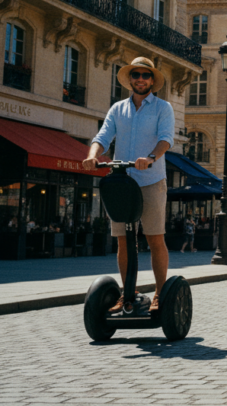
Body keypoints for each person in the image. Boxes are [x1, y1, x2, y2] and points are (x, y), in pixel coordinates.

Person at [83, 56, 174, 313]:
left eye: (146, 75)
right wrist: (92, 156)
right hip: (123, 182)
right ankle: (128, 293)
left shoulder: (162, 108)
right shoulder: (117, 109)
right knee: (123, 240)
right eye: (136, 75)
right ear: (130, 79)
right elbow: (103, 136)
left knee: (155, 239)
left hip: (151, 180)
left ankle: (159, 293)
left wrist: (152, 158)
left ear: (152, 80)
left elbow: (166, 139)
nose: (141, 79)